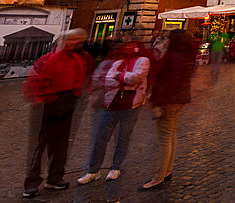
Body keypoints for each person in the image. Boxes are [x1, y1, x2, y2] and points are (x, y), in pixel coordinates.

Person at [23, 29, 94, 197]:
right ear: (63, 41)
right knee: (39, 146)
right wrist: (51, 99)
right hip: (47, 105)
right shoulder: (49, 59)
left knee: (61, 144)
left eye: (80, 40)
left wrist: (75, 97)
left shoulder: (80, 59)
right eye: (73, 39)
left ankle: (55, 178)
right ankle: (32, 182)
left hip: (67, 104)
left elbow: (83, 79)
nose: (77, 43)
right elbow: (37, 82)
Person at [76, 38, 152, 186]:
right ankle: (93, 170)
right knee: (101, 137)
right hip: (112, 104)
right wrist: (125, 78)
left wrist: (120, 77)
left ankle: (115, 167)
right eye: (127, 45)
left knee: (123, 138)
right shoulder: (117, 63)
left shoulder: (143, 61)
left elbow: (136, 78)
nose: (129, 48)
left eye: (132, 45)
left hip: (132, 105)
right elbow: (108, 80)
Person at [140, 30, 196, 191]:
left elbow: (167, 82)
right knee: (170, 136)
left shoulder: (172, 57)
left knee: (164, 138)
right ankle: (167, 170)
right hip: (180, 100)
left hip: (169, 101)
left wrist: (158, 103)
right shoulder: (185, 56)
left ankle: (158, 177)